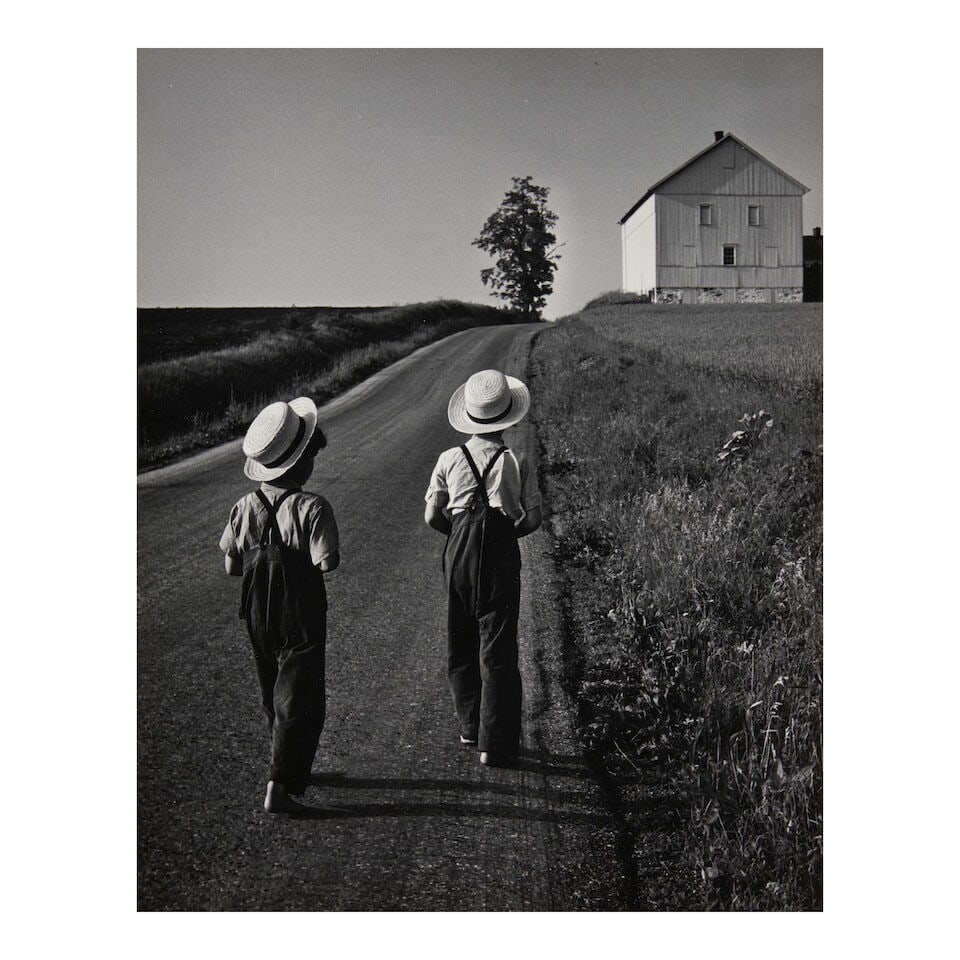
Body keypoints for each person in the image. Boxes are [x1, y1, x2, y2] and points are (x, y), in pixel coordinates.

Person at [219, 397, 340, 814]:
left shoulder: (244, 506)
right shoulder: (312, 507)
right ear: (300, 463)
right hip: (300, 612)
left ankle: (288, 762)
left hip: (257, 611)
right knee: (300, 695)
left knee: (272, 689)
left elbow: (232, 566)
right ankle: (280, 784)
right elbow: (327, 562)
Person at [424, 369, 542, 767]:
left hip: (458, 550)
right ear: (509, 416)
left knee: (460, 638)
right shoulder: (517, 458)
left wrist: (458, 535)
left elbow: (431, 517)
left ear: (470, 416)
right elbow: (533, 519)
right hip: (501, 549)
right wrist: (508, 538)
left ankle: (469, 725)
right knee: (499, 645)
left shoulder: (447, 458)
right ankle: (494, 742)